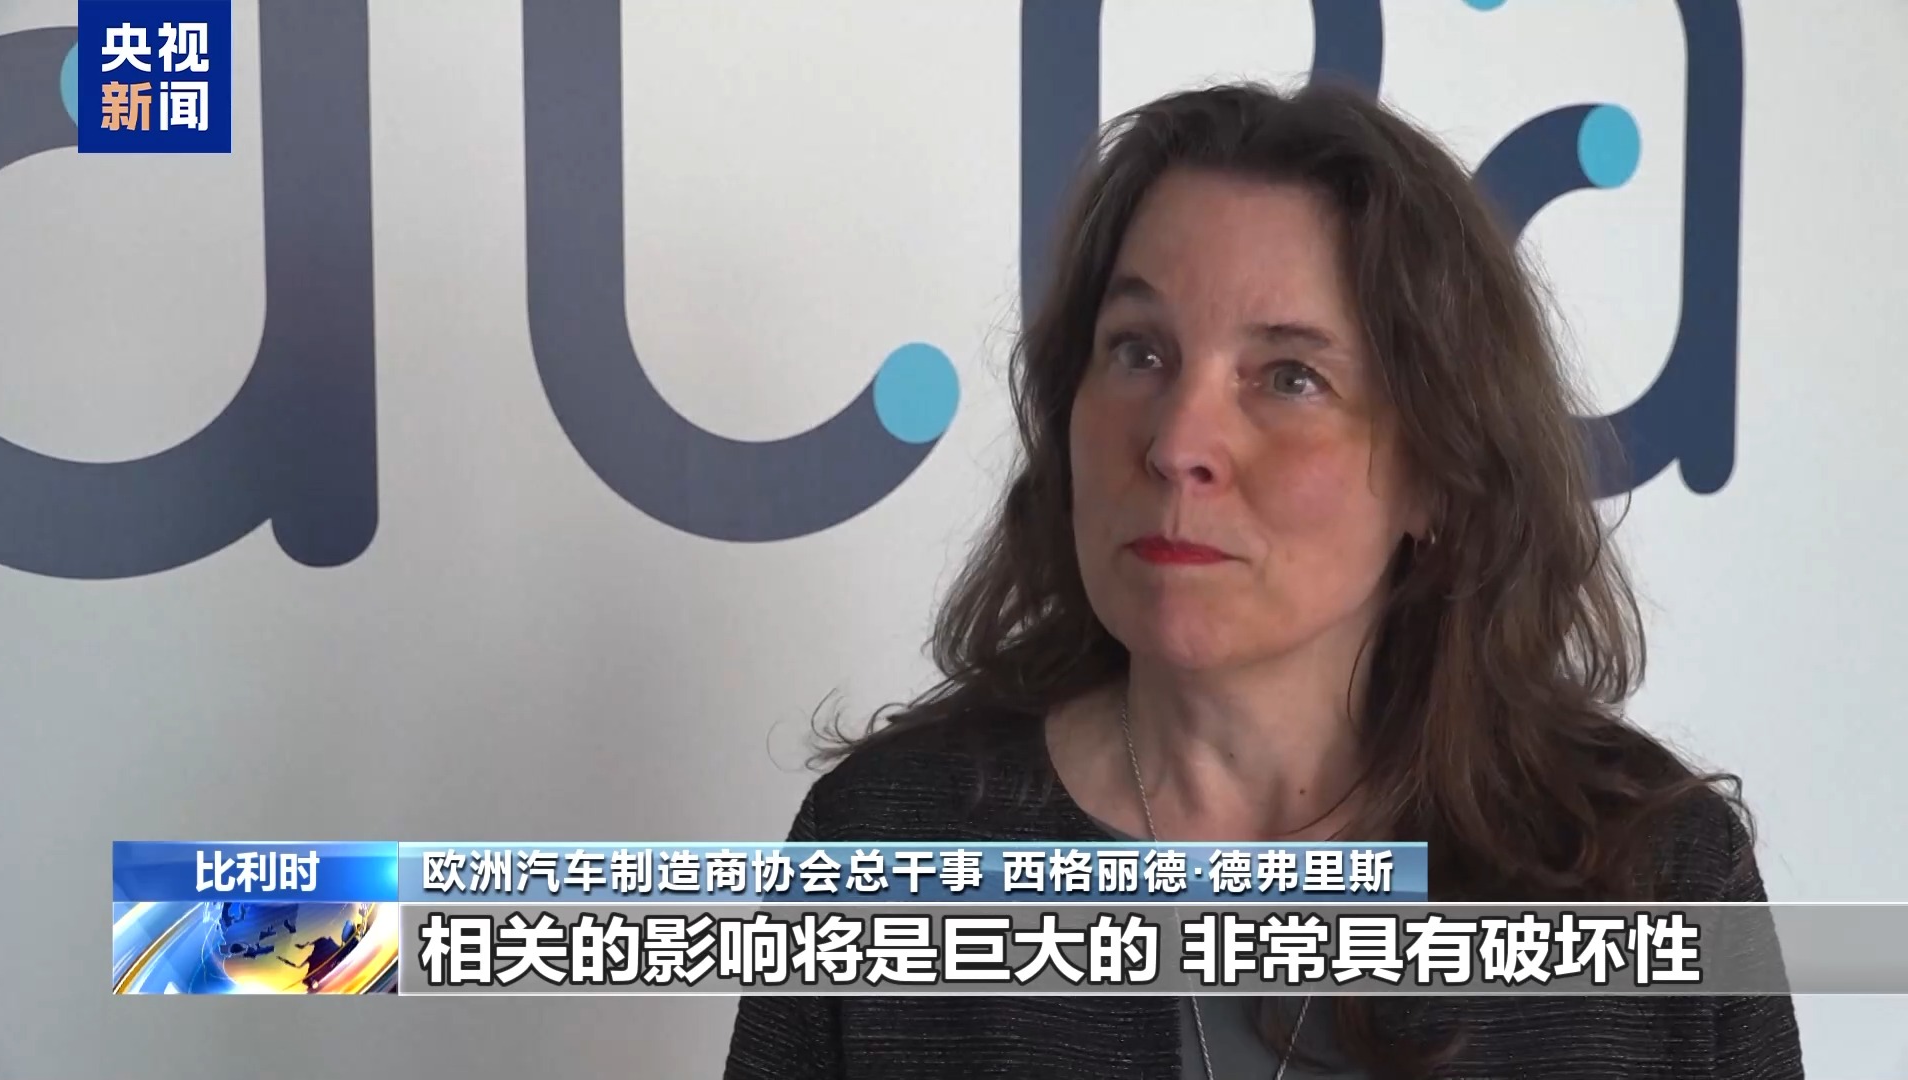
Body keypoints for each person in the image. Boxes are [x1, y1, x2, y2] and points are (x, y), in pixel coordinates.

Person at [723, 80, 1803, 1080]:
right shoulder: (885, 846)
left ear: (1438, 472)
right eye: (1138, 352)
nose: (1177, 443)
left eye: (1290, 376)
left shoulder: (1657, 877)